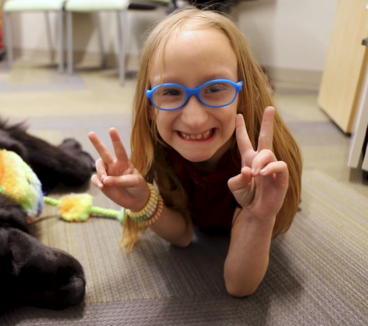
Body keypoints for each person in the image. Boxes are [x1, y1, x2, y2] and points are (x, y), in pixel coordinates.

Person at [88, 7, 302, 297]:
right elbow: (183, 235)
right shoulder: (163, 152)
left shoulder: (261, 168)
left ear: (243, 94)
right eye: (172, 92)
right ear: (150, 107)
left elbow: (238, 286)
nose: (194, 119)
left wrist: (258, 218)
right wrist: (142, 202)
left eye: (215, 88)